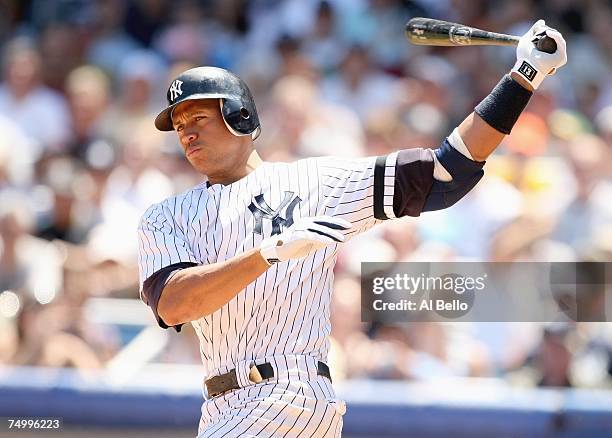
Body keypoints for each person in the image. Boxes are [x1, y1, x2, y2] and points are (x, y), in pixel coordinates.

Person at [137, 20, 567, 438]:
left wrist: (524, 76)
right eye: (178, 126)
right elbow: (176, 304)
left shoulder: (315, 183)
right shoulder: (167, 216)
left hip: (290, 392)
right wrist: (266, 254)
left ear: (239, 116)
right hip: (220, 405)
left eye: (198, 118)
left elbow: (445, 172)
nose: (186, 134)